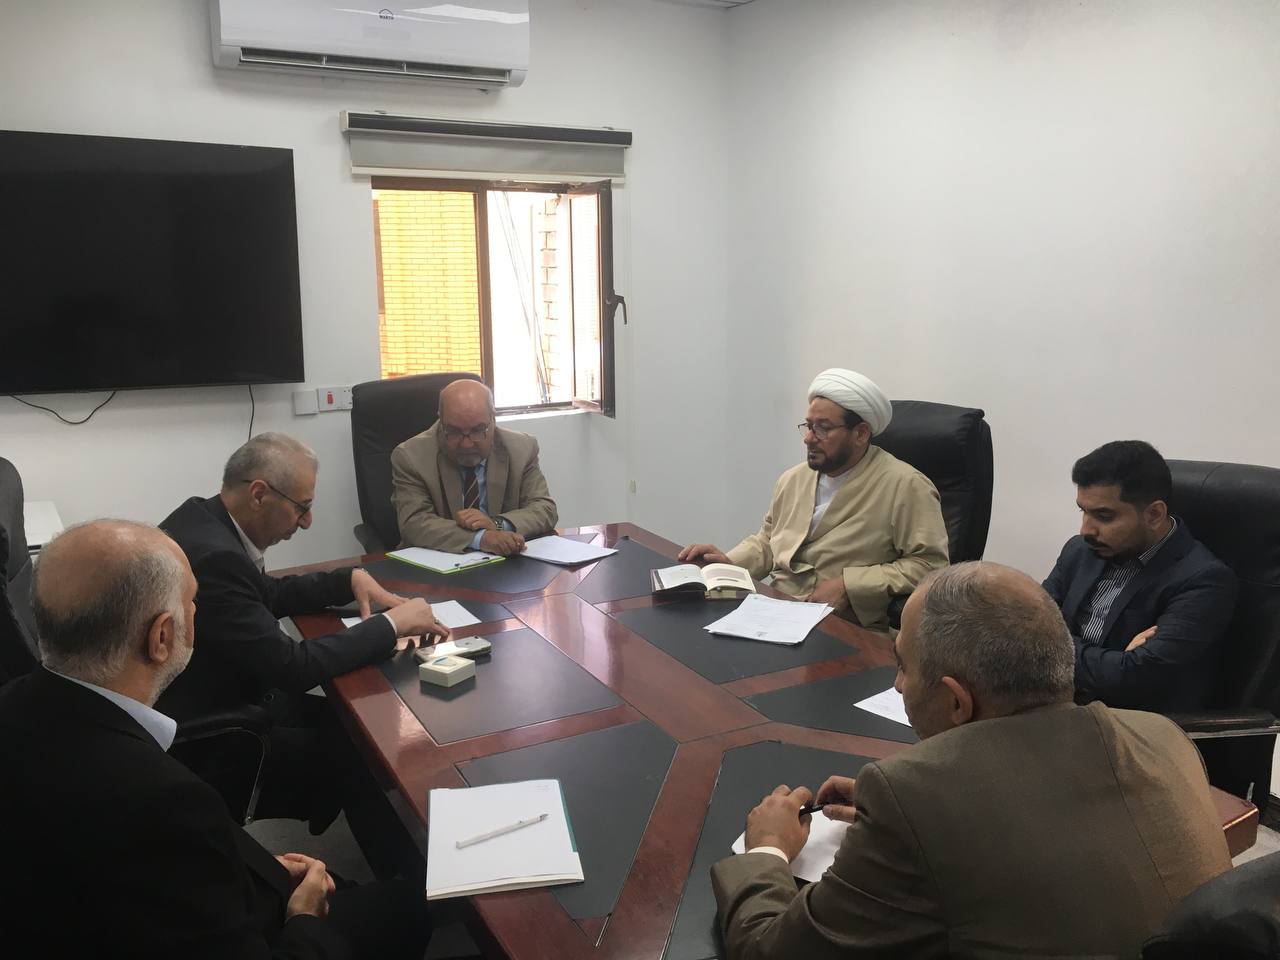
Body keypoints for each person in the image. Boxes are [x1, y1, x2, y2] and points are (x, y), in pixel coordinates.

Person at [712, 562, 1232, 959]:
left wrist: (768, 850)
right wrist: (902, 821)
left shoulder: (915, 798)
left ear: (957, 701)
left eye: (903, 667)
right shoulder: (1161, 735)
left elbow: (768, 950)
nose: (898, 685)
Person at [0, 520, 432, 958]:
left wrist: (247, 870)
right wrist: (305, 917)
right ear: (161, 636)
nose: (197, 611)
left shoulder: (13, 705)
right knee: (406, 909)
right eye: (192, 600)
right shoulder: (166, 799)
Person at [156, 432, 448, 879]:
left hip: (225, 692)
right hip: (217, 732)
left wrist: (347, 580)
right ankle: (405, 886)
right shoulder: (215, 557)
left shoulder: (204, 518)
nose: (308, 522)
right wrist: (391, 625)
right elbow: (294, 667)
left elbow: (263, 594)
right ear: (259, 494)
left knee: (358, 723)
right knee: (366, 751)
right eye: (301, 507)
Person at [680, 368, 948, 634]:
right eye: (809, 426)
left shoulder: (906, 486)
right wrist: (728, 565)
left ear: (861, 433)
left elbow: (930, 566)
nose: (809, 438)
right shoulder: (793, 479)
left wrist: (849, 585)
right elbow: (769, 541)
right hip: (776, 610)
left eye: (823, 428)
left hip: (846, 626)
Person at [1043, 440, 1237, 711]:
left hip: (1131, 722)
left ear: (1154, 514)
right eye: (1083, 511)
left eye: (1104, 516)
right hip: (1059, 701)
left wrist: (1048, 648)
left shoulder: (1204, 581)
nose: (1086, 530)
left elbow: (1131, 678)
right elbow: (1026, 625)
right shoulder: (1080, 550)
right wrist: (1113, 660)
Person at [391, 378, 558, 555]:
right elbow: (414, 523)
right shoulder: (411, 457)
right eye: (454, 431)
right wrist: (481, 539)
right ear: (441, 421)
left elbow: (544, 509)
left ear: (493, 419)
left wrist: (497, 524)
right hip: (440, 560)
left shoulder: (522, 449)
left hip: (504, 561)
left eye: (478, 430)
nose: (467, 444)